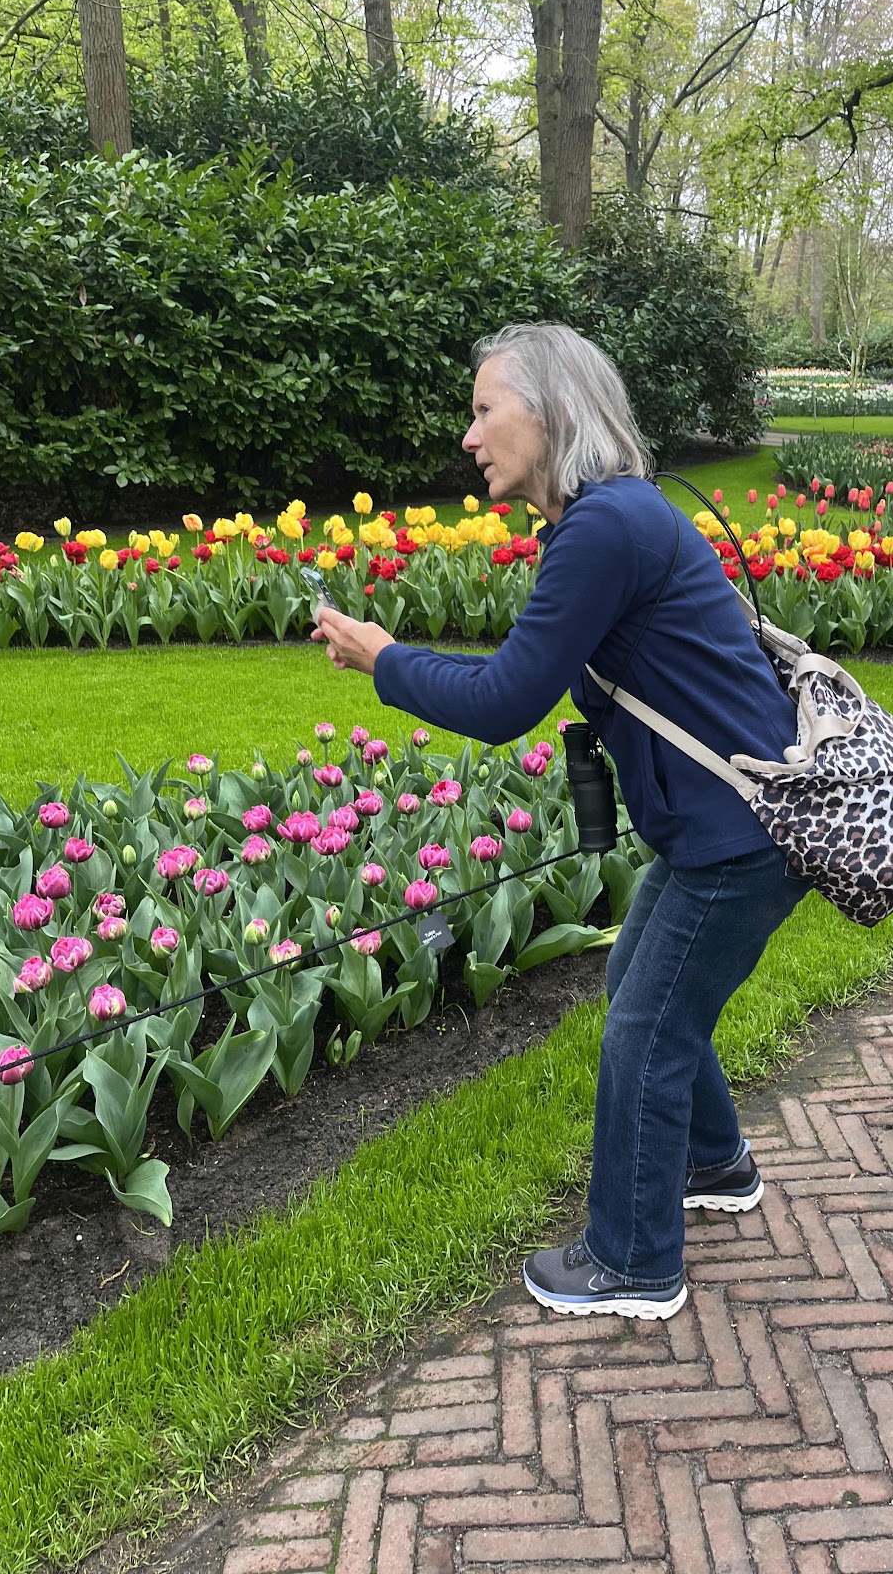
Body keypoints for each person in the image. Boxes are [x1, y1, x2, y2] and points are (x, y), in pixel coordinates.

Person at [313, 323, 808, 1321]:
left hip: (739, 834)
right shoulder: (607, 520)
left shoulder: (606, 527)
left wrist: (384, 660)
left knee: (645, 1030)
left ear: (549, 413)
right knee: (642, 990)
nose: (469, 436)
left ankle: (634, 1262)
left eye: (485, 409)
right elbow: (521, 676)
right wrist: (397, 657)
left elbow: (505, 703)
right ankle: (715, 1161)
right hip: (723, 824)